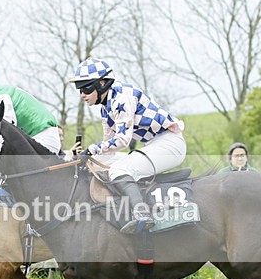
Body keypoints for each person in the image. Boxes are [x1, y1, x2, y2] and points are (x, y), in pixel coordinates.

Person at [69, 57, 186, 234]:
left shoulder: (122, 96)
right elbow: (110, 146)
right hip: (155, 144)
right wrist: (87, 160)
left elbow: (123, 140)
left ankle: (142, 214)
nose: (82, 95)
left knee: (119, 171)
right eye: (79, 89)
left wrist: (92, 149)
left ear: (102, 84)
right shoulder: (105, 107)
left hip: (170, 144)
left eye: (86, 88)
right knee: (98, 164)